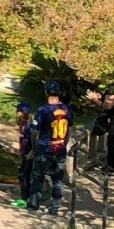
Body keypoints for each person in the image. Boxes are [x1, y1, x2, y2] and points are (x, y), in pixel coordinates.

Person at [30, 85, 73, 216]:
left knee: (38, 177)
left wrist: (33, 147)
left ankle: (33, 206)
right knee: (58, 179)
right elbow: (69, 129)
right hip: (60, 148)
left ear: (46, 92)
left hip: (44, 148)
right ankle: (54, 208)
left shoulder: (43, 110)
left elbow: (34, 132)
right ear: (59, 93)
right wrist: (64, 143)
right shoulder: (67, 109)